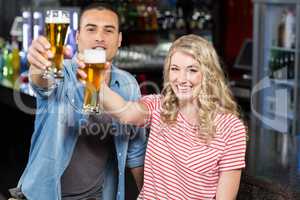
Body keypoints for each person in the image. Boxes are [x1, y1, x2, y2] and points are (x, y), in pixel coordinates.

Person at [10, 3, 147, 200]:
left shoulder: (128, 84)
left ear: (119, 40)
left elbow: (136, 152)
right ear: (77, 37)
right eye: (91, 29)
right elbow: (41, 81)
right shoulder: (61, 72)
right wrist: (38, 65)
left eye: (108, 30)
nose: (99, 37)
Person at [91, 34, 247, 199]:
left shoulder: (231, 129)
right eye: (175, 69)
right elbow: (126, 113)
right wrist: (96, 83)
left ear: (208, 74)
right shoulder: (160, 106)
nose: (181, 79)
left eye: (192, 70)